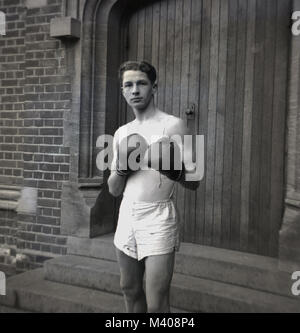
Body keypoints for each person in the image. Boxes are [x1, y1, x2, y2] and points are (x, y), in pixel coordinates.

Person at [107, 60, 199, 313]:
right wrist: (122, 168)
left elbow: (196, 180)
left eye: (141, 83)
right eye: (128, 85)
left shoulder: (175, 125)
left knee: (156, 300)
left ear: (154, 88)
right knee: (130, 289)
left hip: (158, 215)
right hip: (127, 213)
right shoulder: (121, 133)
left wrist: (175, 170)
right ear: (123, 91)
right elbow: (114, 189)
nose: (135, 90)